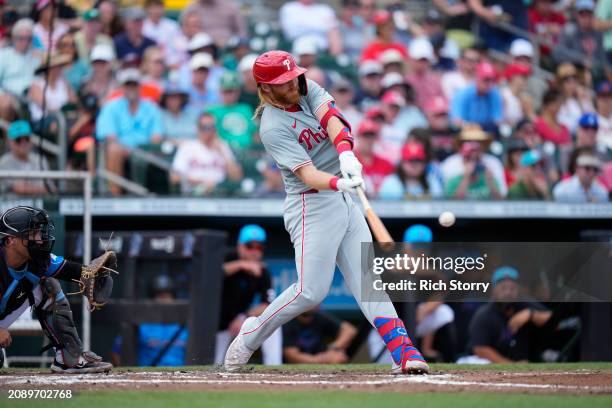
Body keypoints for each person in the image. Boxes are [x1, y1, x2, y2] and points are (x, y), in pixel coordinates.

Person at [223, 50, 429, 375]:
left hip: (342, 196)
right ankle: (251, 334)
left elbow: (333, 120)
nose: (291, 84)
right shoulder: (272, 126)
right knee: (310, 292)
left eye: (292, 77)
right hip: (311, 204)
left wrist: (346, 154)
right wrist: (338, 182)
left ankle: (403, 351)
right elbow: (307, 175)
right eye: (282, 81)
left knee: (368, 282)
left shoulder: (306, 87)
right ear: (265, 88)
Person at [0, 206, 113, 373]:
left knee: (48, 285)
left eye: (39, 233)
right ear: (10, 240)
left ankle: (68, 357)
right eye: (32, 234)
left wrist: (92, 277)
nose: (39, 240)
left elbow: (74, 272)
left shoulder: (38, 261)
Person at [215, 225, 282, 366]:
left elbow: (267, 304)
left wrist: (244, 317)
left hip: (238, 322)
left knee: (273, 321)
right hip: (217, 326)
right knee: (215, 365)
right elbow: (210, 275)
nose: (254, 252)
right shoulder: (227, 257)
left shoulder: (263, 271)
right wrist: (241, 265)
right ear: (240, 246)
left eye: (259, 247)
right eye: (250, 246)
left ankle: (274, 367)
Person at [96, 68, 164, 195]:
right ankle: (115, 195)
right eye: (128, 85)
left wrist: (142, 150)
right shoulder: (111, 107)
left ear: (140, 87)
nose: (131, 88)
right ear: (122, 87)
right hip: (122, 150)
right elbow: (109, 137)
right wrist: (129, 150)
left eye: (134, 85)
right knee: (114, 150)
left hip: (146, 150)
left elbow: (157, 136)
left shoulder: (151, 107)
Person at [468, 267, 555, 363]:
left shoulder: (525, 304)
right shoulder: (484, 314)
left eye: (512, 288)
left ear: (518, 289)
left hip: (526, 362)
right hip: (492, 365)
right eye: (503, 288)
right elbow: (480, 349)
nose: (508, 292)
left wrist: (531, 314)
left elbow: (554, 319)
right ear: (493, 290)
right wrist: (511, 365)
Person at [170, 112, 242, 195]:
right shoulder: (187, 147)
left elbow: (237, 177)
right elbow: (174, 178)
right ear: (198, 128)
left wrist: (222, 153)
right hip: (192, 194)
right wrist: (202, 182)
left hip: (219, 194)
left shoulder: (222, 146)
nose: (208, 131)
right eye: (204, 128)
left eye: (211, 127)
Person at [553, 0, 607, 77]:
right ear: (576, 15)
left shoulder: (598, 34)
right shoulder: (570, 31)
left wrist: (596, 65)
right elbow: (558, 53)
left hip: (595, 72)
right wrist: (581, 59)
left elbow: (602, 58)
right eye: (582, 15)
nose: (586, 18)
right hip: (575, 71)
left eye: (589, 15)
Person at [283, 309, 357, 364]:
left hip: (320, 363)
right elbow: (292, 356)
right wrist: (324, 359)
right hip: (293, 370)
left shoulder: (318, 316)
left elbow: (349, 330)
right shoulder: (288, 320)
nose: (312, 304)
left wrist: (334, 348)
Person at [205, 71, 257, 150]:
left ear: (238, 91)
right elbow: (208, 136)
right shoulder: (211, 111)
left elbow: (254, 133)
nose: (230, 94)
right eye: (227, 91)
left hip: (248, 150)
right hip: (223, 151)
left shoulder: (246, 108)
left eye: (233, 90)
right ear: (220, 92)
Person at [450, 61, 503, 134]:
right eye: (486, 80)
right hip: (465, 134)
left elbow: (498, 121)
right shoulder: (462, 94)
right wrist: (475, 128)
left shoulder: (495, 93)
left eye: (492, 80)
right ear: (476, 78)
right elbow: (456, 122)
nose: (489, 84)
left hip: (487, 134)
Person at [0, 120, 52, 195]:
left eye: (26, 139)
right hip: (12, 206)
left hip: (38, 206)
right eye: (18, 140)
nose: (23, 143)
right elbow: (18, 189)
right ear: (10, 142)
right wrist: (38, 189)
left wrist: (27, 188)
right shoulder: (3, 162)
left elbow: (51, 189)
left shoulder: (40, 160)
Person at [379, 141, 443, 200]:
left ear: (424, 163)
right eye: (410, 160)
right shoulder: (390, 183)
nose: (414, 165)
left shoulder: (432, 182)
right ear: (402, 163)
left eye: (418, 160)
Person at [28, 53, 77, 122]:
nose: (58, 69)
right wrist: (66, 113)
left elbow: (74, 101)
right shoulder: (36, 85)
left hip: (64, 117)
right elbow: (48, 107)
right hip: (44, 120)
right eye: (54, 67)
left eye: (59, 66)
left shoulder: (63, 82)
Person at [0, 19, 41, 97]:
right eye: (21, 38)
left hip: (34, 94)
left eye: (29, 39)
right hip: (11, 96)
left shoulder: (37, 56)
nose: (25, 42)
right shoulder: (3, 55)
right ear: (14, 38)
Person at [405, 37, 445, 113]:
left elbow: (442, 100)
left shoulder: (435, 80)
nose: (422, 64)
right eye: (420, 60)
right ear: (412, 60)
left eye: (425, 60)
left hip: (434, 114)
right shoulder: (406, 81)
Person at [354, 119, 394, 195]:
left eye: (372, 136)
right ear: (358, 136)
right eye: (365, 136)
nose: (369, 140)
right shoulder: (350, 160)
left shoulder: (386, 164)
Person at [181, 0, 247, 47]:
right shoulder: (191, 8)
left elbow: (241, 31)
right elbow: (183, 33)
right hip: (201, 48)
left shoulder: (230, 6)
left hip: (229, 48)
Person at [555, 63, 595, 135]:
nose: (572, 83)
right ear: (560, 83)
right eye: (567, 80)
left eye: (575, 79)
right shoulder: (556, 101)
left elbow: (592, 120)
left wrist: (582, 102)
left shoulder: (582, 99)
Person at [500, 62, 533, 127]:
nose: (525, 80)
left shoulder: (525, 99)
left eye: (526, 77)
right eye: (523, 77)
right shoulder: (503, 94)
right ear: (513, 76)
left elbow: (531, 120)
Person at [596, 81, 612, 154]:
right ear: (597, 99)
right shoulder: (592, 119)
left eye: (609, 95)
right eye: (603, 95)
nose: (606, 99)